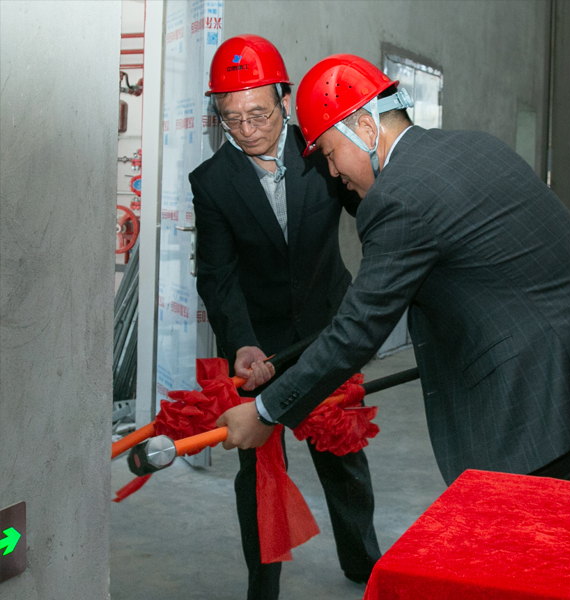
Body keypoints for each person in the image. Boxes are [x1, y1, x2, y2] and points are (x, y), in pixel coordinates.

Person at [216, 54, 570, 490]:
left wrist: (266, 411)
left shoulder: (398, 198)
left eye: (331, 153)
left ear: (367, 129)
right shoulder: (474, 145)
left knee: (525, 537)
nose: (333, 172)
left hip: (559, 402)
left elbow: (357, 329)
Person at [191, 37, 380, 599]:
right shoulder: (212, 182)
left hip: (328, 331)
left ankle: (363, 563)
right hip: (261, 345)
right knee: (259, 475)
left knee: (342, 455)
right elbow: (217, 276)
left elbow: (373, 210)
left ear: (285, 99)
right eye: (232, 119)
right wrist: (242, 344)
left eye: (259, 114)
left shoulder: (321, 150)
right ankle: (263, 585)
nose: (247, 129)